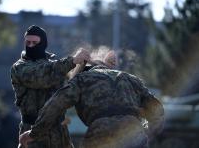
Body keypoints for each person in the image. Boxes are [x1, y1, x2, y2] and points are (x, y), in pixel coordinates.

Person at [19, 50, 164, 148]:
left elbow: (54, 105)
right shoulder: (130, 78)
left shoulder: (82, 79)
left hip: (101, 133)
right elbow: (157, 109)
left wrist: (34, 133)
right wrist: (147, 131)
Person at [10, 25, 90, 148]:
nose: (31, 46)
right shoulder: (19, 67)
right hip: (33, 134)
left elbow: (74, 80)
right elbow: (41, 76)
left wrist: (99, 64)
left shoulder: (55, 67)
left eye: (34, 42)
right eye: (28, 42)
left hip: (59, 132)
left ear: (43, 43)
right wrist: (72, 61)